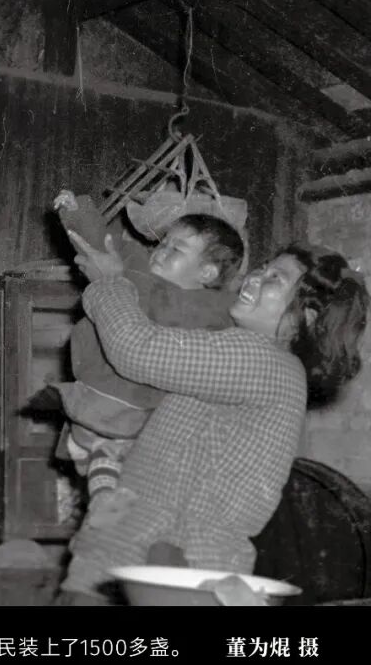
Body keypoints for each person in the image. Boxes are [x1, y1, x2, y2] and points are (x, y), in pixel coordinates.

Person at [58, 230, 368, 604]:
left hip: (175, 566)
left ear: (306, 316)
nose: (255, 276)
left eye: (276, 279)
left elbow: (136, 350)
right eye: (263, 268)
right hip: (144, 557)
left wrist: (109, 282)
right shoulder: (260, 362)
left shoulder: (262, 360)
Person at [46, 193, 244, 508]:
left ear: (207, 273)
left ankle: (105, 496)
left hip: (142, 420)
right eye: (163, 243)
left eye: (176, 249)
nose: (161, 251)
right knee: (106, 450)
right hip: (101, 397)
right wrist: (77, 212)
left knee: (114, 461)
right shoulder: (136, 270)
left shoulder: (215, 313)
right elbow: (101, 246)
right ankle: (102, 480)